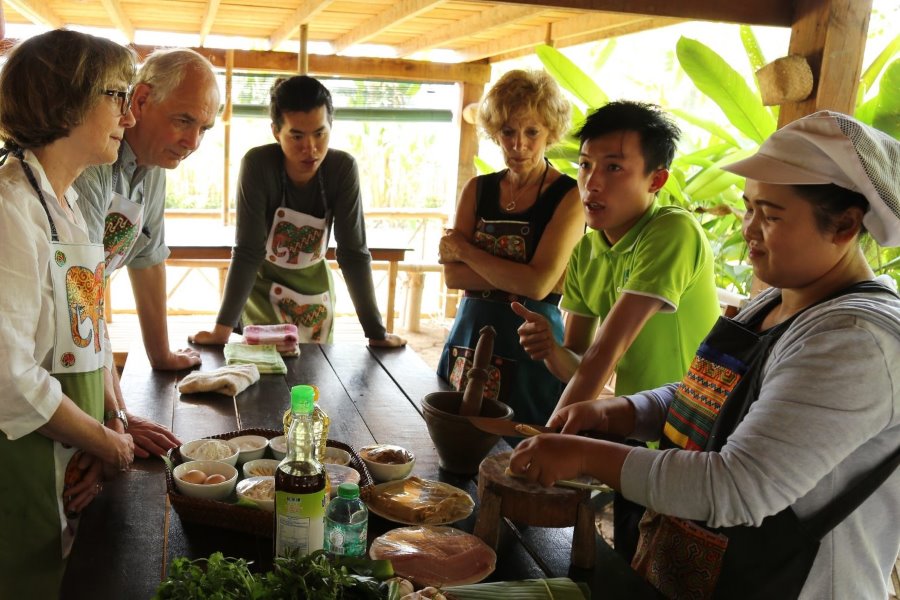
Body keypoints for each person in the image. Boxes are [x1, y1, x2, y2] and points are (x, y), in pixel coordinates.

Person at [509, 111, 900, 599]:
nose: (749, 230)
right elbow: (713, 396)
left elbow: (737, 487)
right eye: (749, 208)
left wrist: (586, 453)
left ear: (844, 225)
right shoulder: (775, 301)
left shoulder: (856, 338)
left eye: (771, 215)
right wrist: (627, 411)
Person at [515, 100, 720, 559]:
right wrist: (551, 350)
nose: (592, 183)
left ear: (656, 179)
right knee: (631, 549)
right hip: (633, 428)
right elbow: (581, 364)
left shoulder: (672, 231)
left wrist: (549, 440)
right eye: (585, 166)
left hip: (693, 434)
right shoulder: (589, 252)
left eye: (614, 168)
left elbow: (608, 351)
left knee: (672, 564)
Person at [0, 29, 137, 596]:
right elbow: (8, 378)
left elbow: (92, 334)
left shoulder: (70, 205)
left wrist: (109, 424)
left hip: (68, 454)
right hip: (21, 466)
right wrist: (104, 444)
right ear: (66, 99)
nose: (128, 118)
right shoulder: (10, 209)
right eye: (117, 96)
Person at [74, 48, 220, 458]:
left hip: (80, 337)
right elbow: (80, 293)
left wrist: (161, 354)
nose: (192, 142)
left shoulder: (153, 166)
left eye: (204, 128)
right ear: (139, 101)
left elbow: (148, 256)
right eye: (183, 120)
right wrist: (114, 417)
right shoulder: (93, 159)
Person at [191, 76, 405, 348]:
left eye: (320, 133)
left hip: (315, 295)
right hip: (263, 293)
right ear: (276, 132)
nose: (311, 148)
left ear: (331, 127)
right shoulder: (258, 166)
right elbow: (248, 251)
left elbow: (353, 252)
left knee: (313, 381)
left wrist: (376, 333)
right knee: (265, 377)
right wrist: (220, 332)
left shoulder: (341, 169)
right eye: (296, 136)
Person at [437, 69, 584, 426]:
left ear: (550, 131)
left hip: (531, 342)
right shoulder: (478, 189)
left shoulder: (569, 195)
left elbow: (538, 285)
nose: (519, 144)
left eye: (532, 132)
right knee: (455, 434)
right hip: (468, 340)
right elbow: (453, 277)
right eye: (508, 132)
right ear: (495, 132)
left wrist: (467, 250)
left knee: (520, 448)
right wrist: (518, 273)